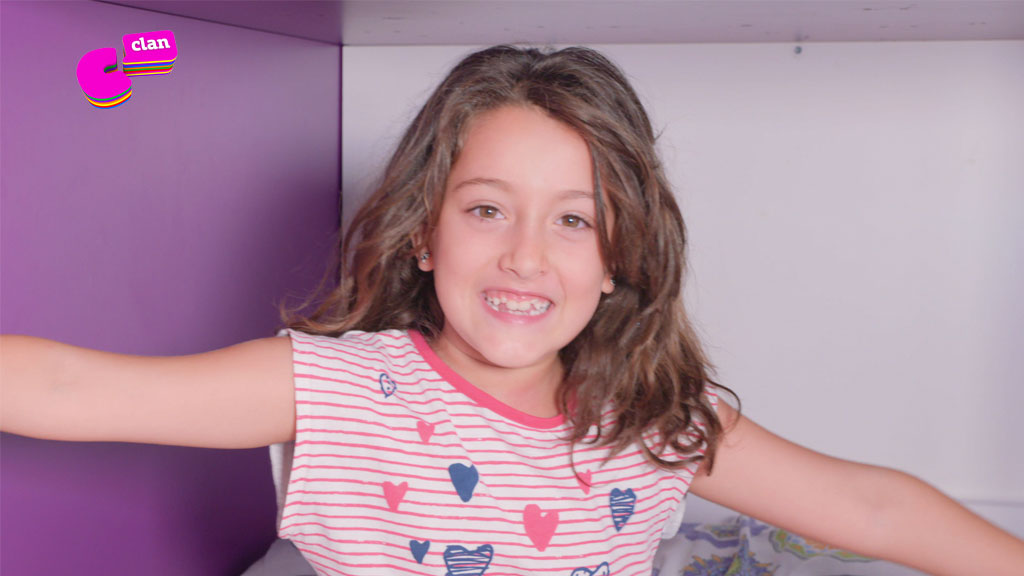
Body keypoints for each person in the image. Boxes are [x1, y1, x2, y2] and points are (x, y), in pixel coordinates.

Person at [1, 45, 1022, 576]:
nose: (525, 255)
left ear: (621, 259)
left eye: (574, 221)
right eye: (487, 209)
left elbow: (874, 510)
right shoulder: (334, 388)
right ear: (424, 234)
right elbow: (68, 386)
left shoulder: (654, 419)